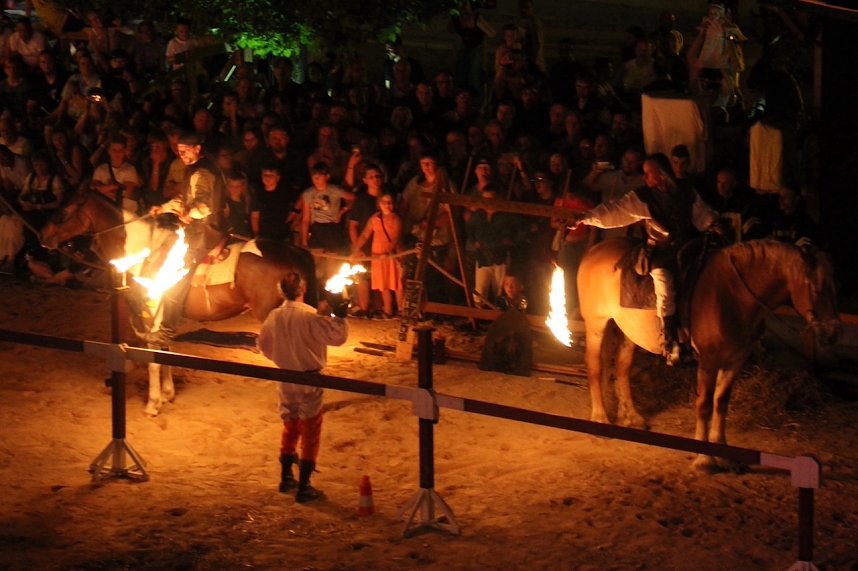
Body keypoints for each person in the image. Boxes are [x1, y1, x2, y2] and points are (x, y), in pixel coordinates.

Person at [571, 153, 719, 365]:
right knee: (664, 284)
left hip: (689, 248)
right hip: (662, 252)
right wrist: (586, 217)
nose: (646, 177)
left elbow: (701, 215)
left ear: (662, 174)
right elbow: (616, 211)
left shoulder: (686, 192)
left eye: (649, 173)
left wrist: (713, 224)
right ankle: (670, 340)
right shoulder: (645, 197)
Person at [257, 271, 349, 503]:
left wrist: (283, 357)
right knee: (310, 429)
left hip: (285, 377)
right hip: (309, 379)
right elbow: (337, 338)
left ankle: (286, 476)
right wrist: (340, 316)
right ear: (303, 290)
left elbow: (264, 346)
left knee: (290, 424)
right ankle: (304, 486)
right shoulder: (309, 316)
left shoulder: (273, 316)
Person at [147, 131, 225, 342]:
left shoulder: (201, 173)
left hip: (204, 233)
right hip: (199, 230)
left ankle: (167, 329)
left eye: (184, 151)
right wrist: (163, 209)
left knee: (175, 278)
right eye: (179, 151)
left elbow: (204, 206)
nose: (180, 155)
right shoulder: (196, 169)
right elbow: (185, 198)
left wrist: (188, 214)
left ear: (197, 149)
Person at [351, 192, 403, 319]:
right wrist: (356, 249)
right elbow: (365, 234)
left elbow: (396, 237)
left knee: (397, 283)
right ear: (379, 204)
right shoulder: (375, 218)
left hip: (391, 256)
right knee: (383, 284)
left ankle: (402, 310)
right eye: (384, 202)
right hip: (377, 256)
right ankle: (388, 311)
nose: (387, 205)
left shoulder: (396, 219)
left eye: (389, 202)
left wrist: (388, 252)